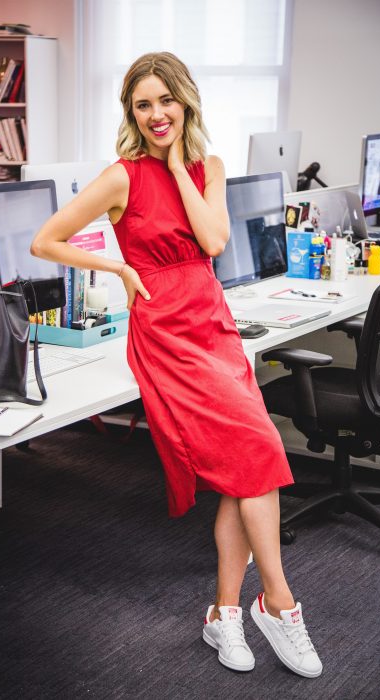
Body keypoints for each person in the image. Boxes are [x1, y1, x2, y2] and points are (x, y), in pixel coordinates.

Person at [31, 51, 322, 679]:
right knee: (259, 453)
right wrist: (117, 266)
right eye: (143, 104)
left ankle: (224, 613)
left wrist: (178, 168)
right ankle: (280, 602)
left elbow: (213, 241)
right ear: (131, 113)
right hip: (165, 330)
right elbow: (45, 240)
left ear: (185, 101)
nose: (156, 113)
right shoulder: (120, 177)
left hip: (213, 324)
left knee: (241, 469)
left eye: (167, 100)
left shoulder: (208, 166)